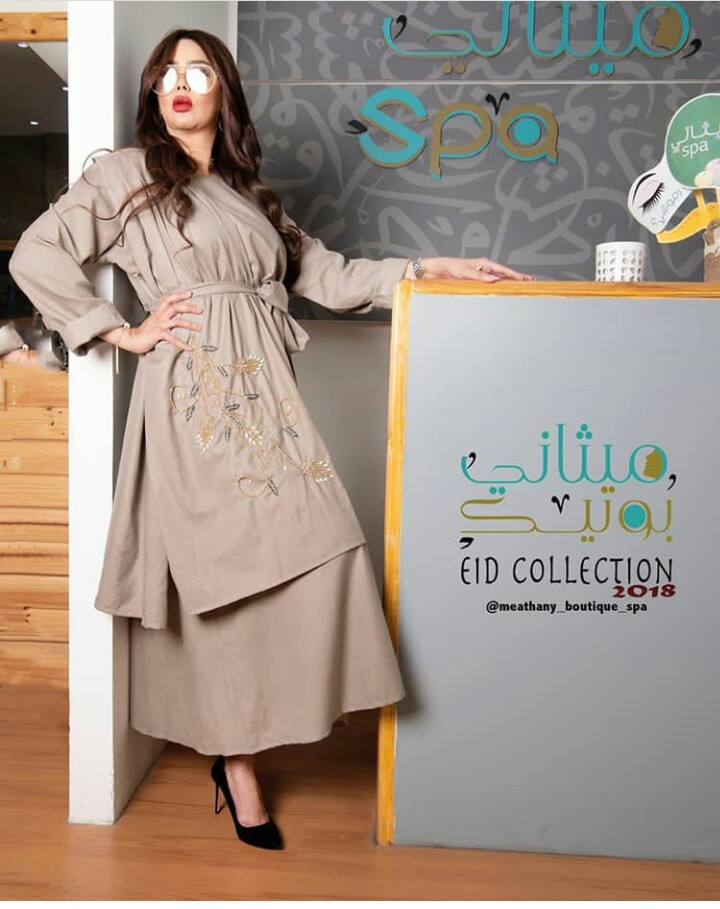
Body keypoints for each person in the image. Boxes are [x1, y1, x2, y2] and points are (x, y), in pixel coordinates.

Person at [8, 28, 534, 851]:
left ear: (224, 88)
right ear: (153, 95)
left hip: (271, 400)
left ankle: (269, 724)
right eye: (166, 75)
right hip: (194, 398)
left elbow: (328, 275)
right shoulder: (126, 175)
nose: (179, 84)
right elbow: (38, 254)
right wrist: (122, 331)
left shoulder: (253, 197)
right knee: (223, 580)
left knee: (323, 545)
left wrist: (432, 268)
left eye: (198, 70)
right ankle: (238, 763)